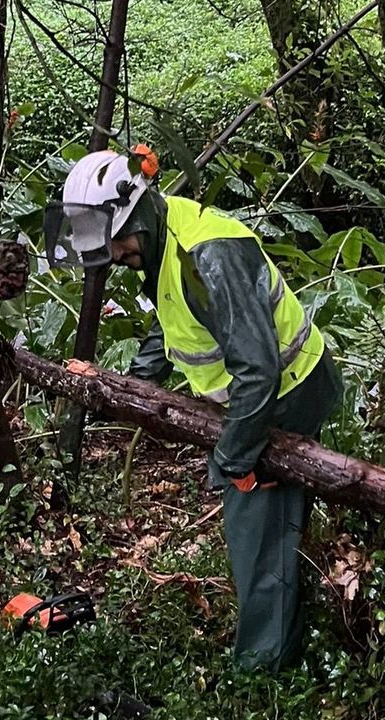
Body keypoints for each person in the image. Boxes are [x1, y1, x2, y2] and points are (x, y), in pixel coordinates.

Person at [47, 148, 343, 672]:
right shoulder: (166, 239)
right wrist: (132, 388)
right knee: (262, 517)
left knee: (257, 527)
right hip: (264, 393)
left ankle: (263, 671)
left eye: (116, 240)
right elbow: (174, 318)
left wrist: (232, 457)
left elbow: (258, 370)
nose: (113, 253)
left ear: (137, 212)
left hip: (290, 391)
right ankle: (295, 622)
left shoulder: (209, 258)